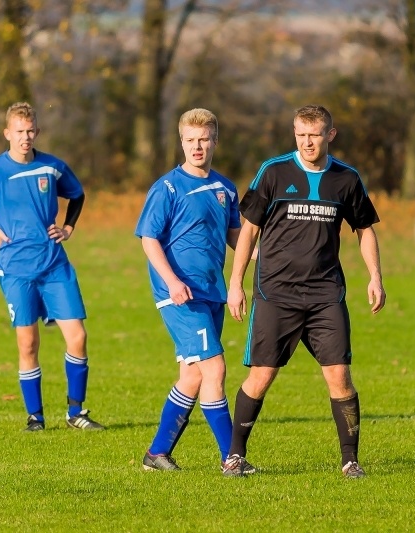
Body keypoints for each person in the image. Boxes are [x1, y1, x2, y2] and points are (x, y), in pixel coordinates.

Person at [225, 104, 386, 478]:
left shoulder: (346, 179)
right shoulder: (274, 171)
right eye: (300, 134)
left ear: (330, 134)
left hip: (325, 295)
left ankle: (350, 461)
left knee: (339, 376)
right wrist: (235, 284)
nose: (307, 141)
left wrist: (375, 276)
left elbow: (364, 230)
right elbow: (248, 230)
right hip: (275, 293)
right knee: (261, 377)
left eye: (314, 134)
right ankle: (235, 456)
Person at [0, 101, 104, 432]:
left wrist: (69, 227)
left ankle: (76, 413)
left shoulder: (52, 167)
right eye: (19, 132)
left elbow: (77, 195)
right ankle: (35, 417)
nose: (25, 137)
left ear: (37, 132)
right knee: (28, 343)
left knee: (78, 336)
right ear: (7, 133)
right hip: (16, 269)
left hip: (55, 264)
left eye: (30, 131)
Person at [135, 108, 254, 477]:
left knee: (193, 375)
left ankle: (157, 454)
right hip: (179, 294)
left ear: (215, 141)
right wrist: (172, 281)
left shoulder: (225, 188)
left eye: (204, 139)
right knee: (215, 367)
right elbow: (149, 239)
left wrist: (267, 261)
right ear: (181, 142)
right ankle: (230, 459)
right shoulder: (168, 187)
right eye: (190, 140)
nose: (197, 146)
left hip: (210, 292)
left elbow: (236, 236)